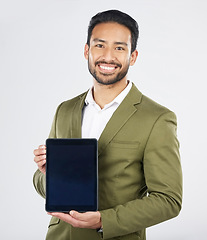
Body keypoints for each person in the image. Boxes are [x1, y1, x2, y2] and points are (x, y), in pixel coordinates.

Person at [33, 9, 182, 240]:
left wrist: (104, 220)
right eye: (99, 45)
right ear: (87, 51)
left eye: (119, 47)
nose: (108, 56)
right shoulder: (65, 110)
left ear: (132, 56)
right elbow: (41, 182)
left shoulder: (157, 118)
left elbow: (169, 200)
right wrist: (50, 175)